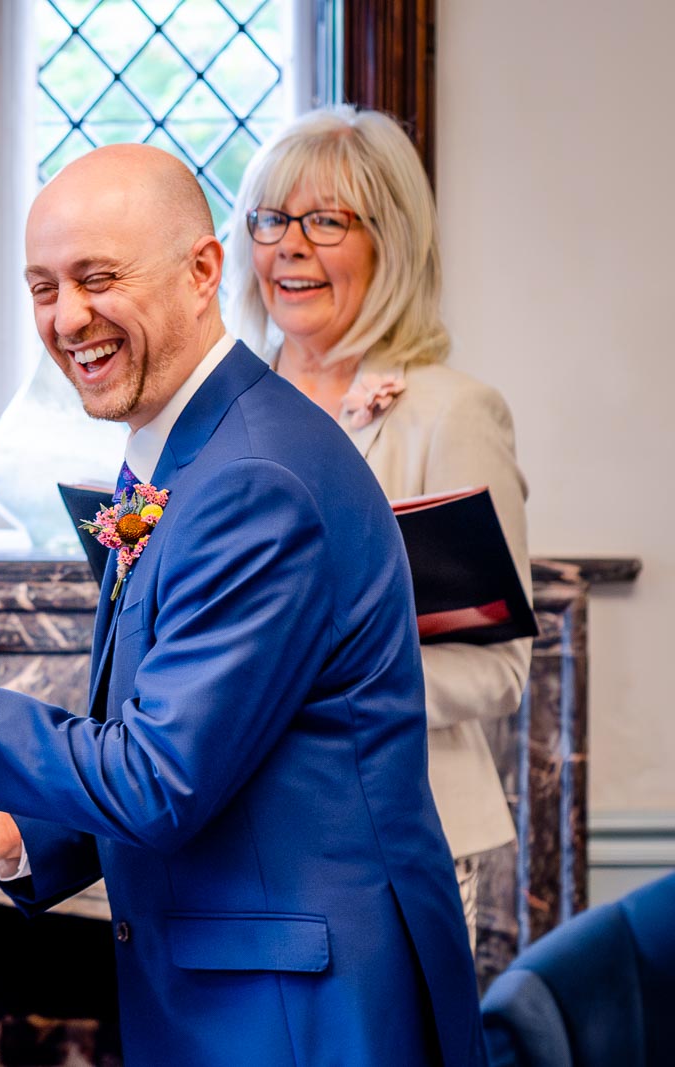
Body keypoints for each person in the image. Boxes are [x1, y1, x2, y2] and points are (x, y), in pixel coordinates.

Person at [0, 144, 487, 1065]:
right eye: (43, 288)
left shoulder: (254, 478)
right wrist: (23, 831)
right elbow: (212, 738)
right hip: (254, 981)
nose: (69, 317)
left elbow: (160, 777)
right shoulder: (188, 447)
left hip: (302, 1010)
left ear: (203, 272)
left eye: (98, 277)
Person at [224, 105, 530, 950]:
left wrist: (323, 690)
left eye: (325, 221)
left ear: (388, 240)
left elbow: (499, 670)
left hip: (403, 837)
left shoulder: (451, 414)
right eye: (272, 219)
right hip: (239, 832)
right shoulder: (223, 415)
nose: (290, 246)